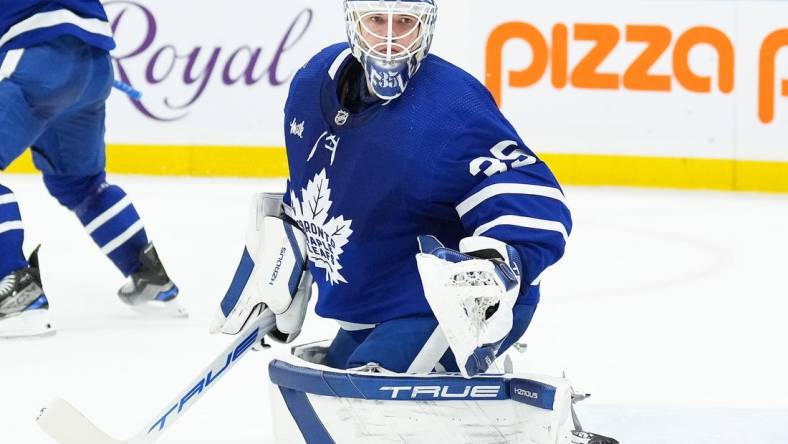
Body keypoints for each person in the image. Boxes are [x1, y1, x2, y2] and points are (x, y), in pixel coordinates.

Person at [213, 0, 571, 378]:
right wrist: (281, 260)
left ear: (425, 27)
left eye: (404, 22)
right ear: (354, 22)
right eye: (376, 20)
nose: (388, 39)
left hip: (443, 308)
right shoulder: (311, 83)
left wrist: (496, 265)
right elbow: (312, 186)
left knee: (357, 401)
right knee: (328, 383)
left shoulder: (450, 109)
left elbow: (535, 199)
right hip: (374, 297)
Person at [0, 0, 185, 338]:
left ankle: (12, 288)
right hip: (94, 63)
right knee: (81, 184)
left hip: (33, 55)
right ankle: (151, 279)